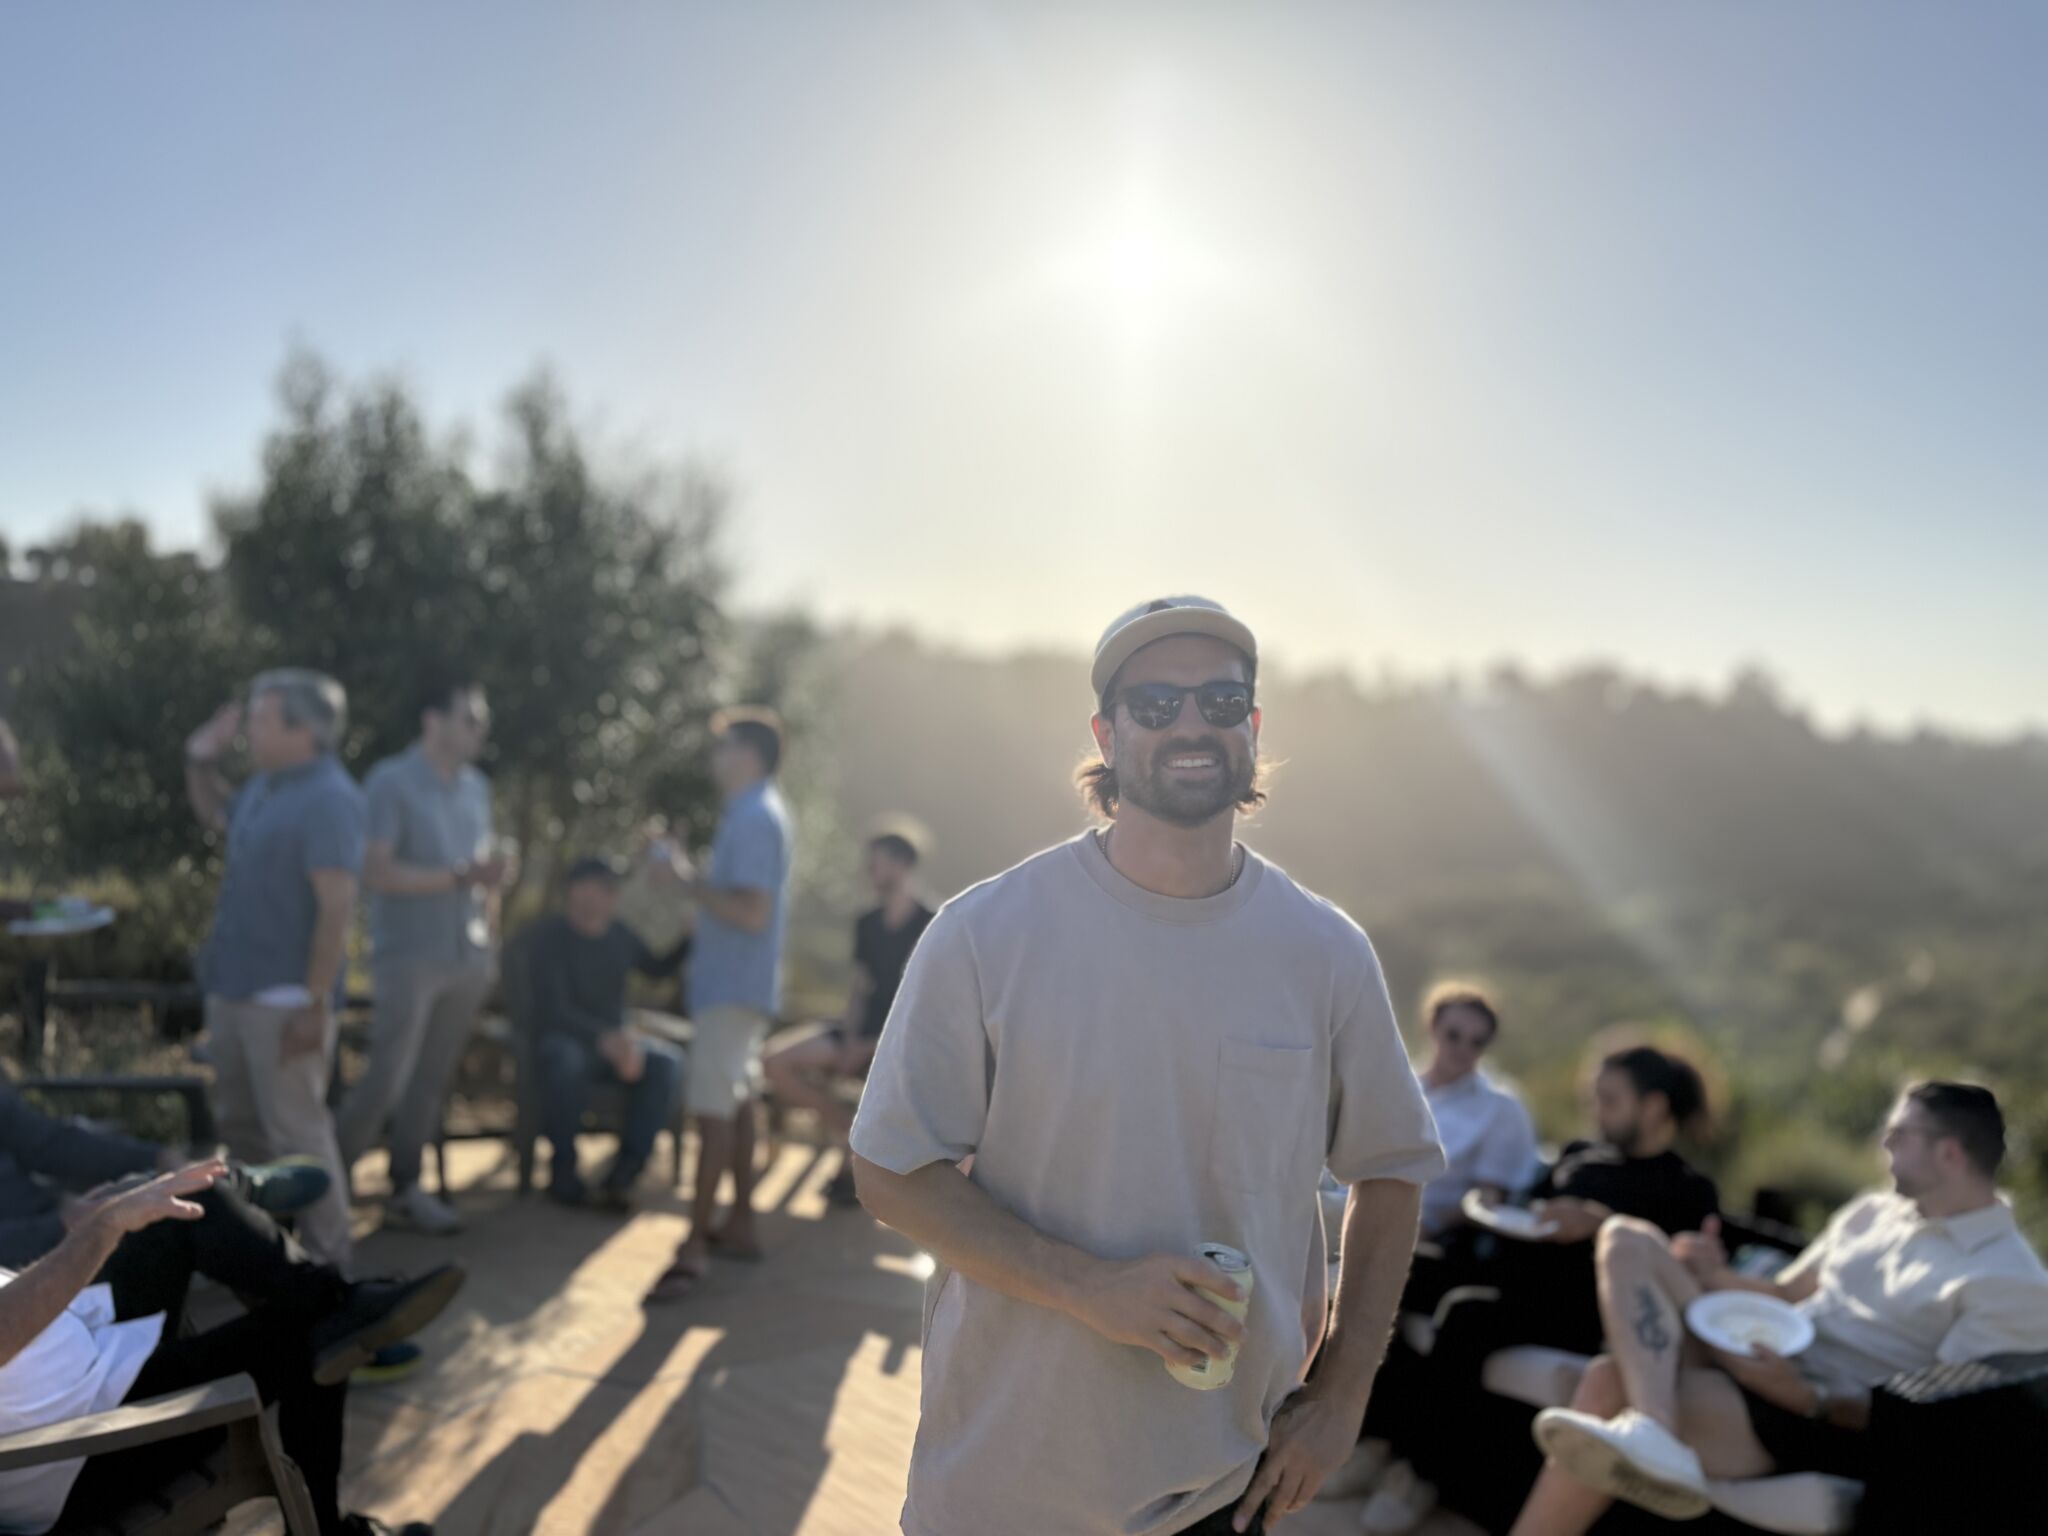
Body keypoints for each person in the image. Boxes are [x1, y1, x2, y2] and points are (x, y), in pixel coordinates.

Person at [848, 595, 1446, 1536]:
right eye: (1157, 705)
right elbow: (890, 1171)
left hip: (1220, 1490)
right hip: (998, 1487)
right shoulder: (986, 932)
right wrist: (1089, 1287)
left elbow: (1393, 1171)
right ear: (1107, 733)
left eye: (1220, 698)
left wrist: (1340, 1398)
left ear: (1253, 726)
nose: (1193, 723)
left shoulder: (1323, 951)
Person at [1515, 1081, 2048, 1532]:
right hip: (1763, 1352)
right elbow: (1788, 1295)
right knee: (1626, 1237)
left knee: (1609, 1382)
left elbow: (1945, 1433)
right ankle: (1655, 1429)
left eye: (1900, 1134)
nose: (1885, 1142)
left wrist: (1809, 1396)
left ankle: (1651, 1432)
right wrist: (1712, 1273)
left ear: (1949, 1153)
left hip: (1823, 1416)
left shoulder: (2010, 1281)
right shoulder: (1873, 1212)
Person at [0, 1161, 458, 1536]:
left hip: (85, 1352)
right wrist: (101, 1226)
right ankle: (344, 1308)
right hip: (80, 1444)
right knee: (309, 1331)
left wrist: (80, 1218)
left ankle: (341, 1300)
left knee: (180, 1204)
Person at [186, 670, 366, 1268]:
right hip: (233, 990)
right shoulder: (266, 787)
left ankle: (333, 1280)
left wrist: (315, 1005)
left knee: (299, 1139)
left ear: (305, 729)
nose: (249, 733)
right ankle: (267, 1271)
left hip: (286, 1000)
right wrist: (199, 760)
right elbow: (216, 815)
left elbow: (336, 909)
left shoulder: (331, 799)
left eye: (262, 720)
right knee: (244, 1140)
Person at [336, 675, 510, 1236]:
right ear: (432, 721)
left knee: (431, 1080)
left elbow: (484, 878)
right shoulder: (390, 782)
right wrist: (460, 876)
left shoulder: (476, 788)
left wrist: (491, 935)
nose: (480, 729)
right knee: (385, 1076)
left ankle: (405, 1190)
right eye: (470, 718)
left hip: (467, 957)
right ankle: (326, 1191)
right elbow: (377, 869)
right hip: (409, 957)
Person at [646, 707, 795, 1300]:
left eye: (722, 747)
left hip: (730, 989)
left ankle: (694, 1247)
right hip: (738, 987)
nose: (714, 759)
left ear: (749, 755)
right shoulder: (755, 813)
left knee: (712, 1112)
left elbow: (751, 910)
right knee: (732, 1105)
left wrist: (681, 878)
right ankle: (738, 1224)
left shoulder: (756, 816)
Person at [762, 827, 934, 1206]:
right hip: (860, 1031)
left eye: (878, 862)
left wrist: (872, 1045)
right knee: (774, 1060)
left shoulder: (933, 922)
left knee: (884, 1082)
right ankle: (846, 1128)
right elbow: (859, 987)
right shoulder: (866, 922)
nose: (870, 869)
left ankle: (852, 1171)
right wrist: (852, 1039)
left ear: (903, 864)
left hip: (905, 1042)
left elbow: (928, 1005)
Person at [0, 1074, 331, 1267]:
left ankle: (339, 1309)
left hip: (58, 1214)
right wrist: (59, 1224)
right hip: (25, 1267)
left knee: (172, 1199)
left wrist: (159, 1156)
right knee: (172, 1206)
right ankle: (233, 1186)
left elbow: (45, 1142)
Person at [525, 857, 688, 1208]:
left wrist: (689, 939)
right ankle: (563, 1171)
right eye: (602, 888)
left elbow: (657, 969)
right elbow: (552, 1010)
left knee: (667, 1063)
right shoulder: (548, 938)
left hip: (615, 1044)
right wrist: (606, 1039)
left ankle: (625, 1174)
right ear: (575, 890)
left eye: (612, 890)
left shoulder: (620, 935)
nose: (610, 897)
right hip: (568, 1040)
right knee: (564, 1059)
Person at [1414, 983, 1540, 1242]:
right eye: (1453, 1035)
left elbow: (1487, 1199)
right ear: (1432, 1028)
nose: (1463, 1048)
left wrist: (1420, 1230)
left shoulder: (1501, 1108)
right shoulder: (1397, 1085)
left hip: (1432, 1239)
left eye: (1477, 1042)